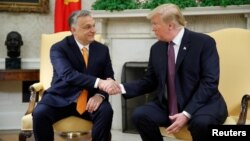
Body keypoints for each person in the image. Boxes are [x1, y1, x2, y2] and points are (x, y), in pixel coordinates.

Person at [108, 3, 228, 141]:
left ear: (170, 25)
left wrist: (186, 113)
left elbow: (209, 83)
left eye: (155, 24)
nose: (152, 28)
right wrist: (120, 87)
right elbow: (150, 81)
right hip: (169, 106)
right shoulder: (157, 48)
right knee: (140, 115)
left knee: (201, 124)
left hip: (202, 105)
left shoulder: (204, 43)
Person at [32, 10, 119, 141]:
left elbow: (109, 77)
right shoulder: (59, 48)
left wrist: (100, 95)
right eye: (87, 27)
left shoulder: (102, 49)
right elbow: (68, 75)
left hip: (91, 100)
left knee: (106, 111)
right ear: (74, 30)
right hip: (61, 98)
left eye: (94, 25)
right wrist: (99, 83)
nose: (93, 30)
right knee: (39, 113)